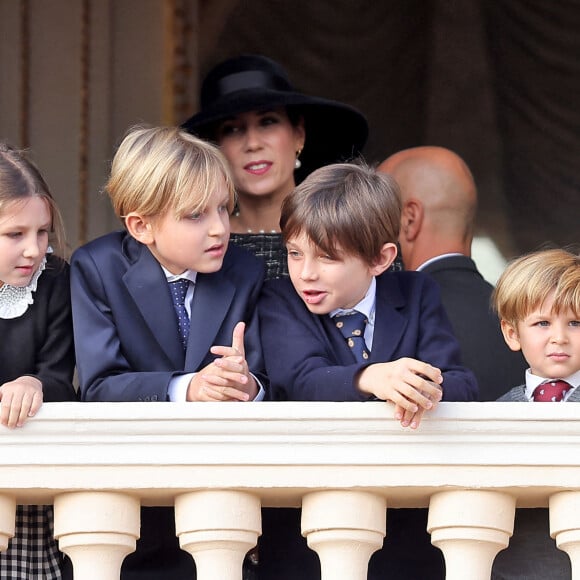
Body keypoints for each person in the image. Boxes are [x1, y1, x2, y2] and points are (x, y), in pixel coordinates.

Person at [257, 162, 478, 580]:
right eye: (294, 252)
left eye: (327, 257)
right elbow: (300, 379)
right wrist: (371, 377)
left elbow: (463, 381)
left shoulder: (416, 293)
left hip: (408, 530)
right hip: (309, 529)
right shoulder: (279, 299)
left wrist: (420, 390)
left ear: (380, 258)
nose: (305, 272)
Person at [70, 126, 266, 580]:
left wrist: (248, 385)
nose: (220, 228)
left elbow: (272, 380)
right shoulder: (96, 268)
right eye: (196, 215)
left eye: (224, 208)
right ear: (141, 226)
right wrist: (188, 388)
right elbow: (98, 388)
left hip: (221, 505)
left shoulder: (246, 270)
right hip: (129, 509)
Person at [182, 53, 370, 279]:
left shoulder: (350, 231)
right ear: (214, 148)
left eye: (268, 122)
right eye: (232, 129)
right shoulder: (194, 242)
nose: (252, 144)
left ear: (298, 135)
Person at [378, 146, 527, 401]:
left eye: (373, 215)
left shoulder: (389, 317)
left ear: (409, 219)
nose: (362, 232)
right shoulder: (527, 321)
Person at [0, 143, 76, 579]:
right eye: (15, 235)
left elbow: (62, 377)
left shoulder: (55, 282)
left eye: (42, 232)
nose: (33, 249)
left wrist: (35, 384)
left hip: (28, 472)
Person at [491, 248, 580, 580]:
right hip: (512, 568)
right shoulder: (493, 416)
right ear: (513, 334)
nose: (559, 337)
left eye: (575, 322)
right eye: (542, 323)